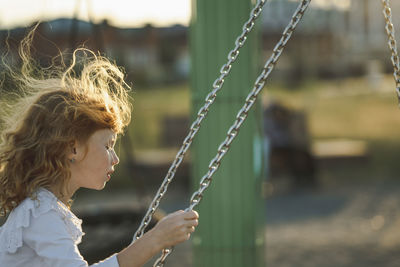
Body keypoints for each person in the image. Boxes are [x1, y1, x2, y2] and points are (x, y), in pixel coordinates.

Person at [0, 27, 199, 267]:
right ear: (72, 149)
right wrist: (155, 239)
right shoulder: (42, 215)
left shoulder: (45, 208)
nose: (115, 158)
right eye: (108, 145)